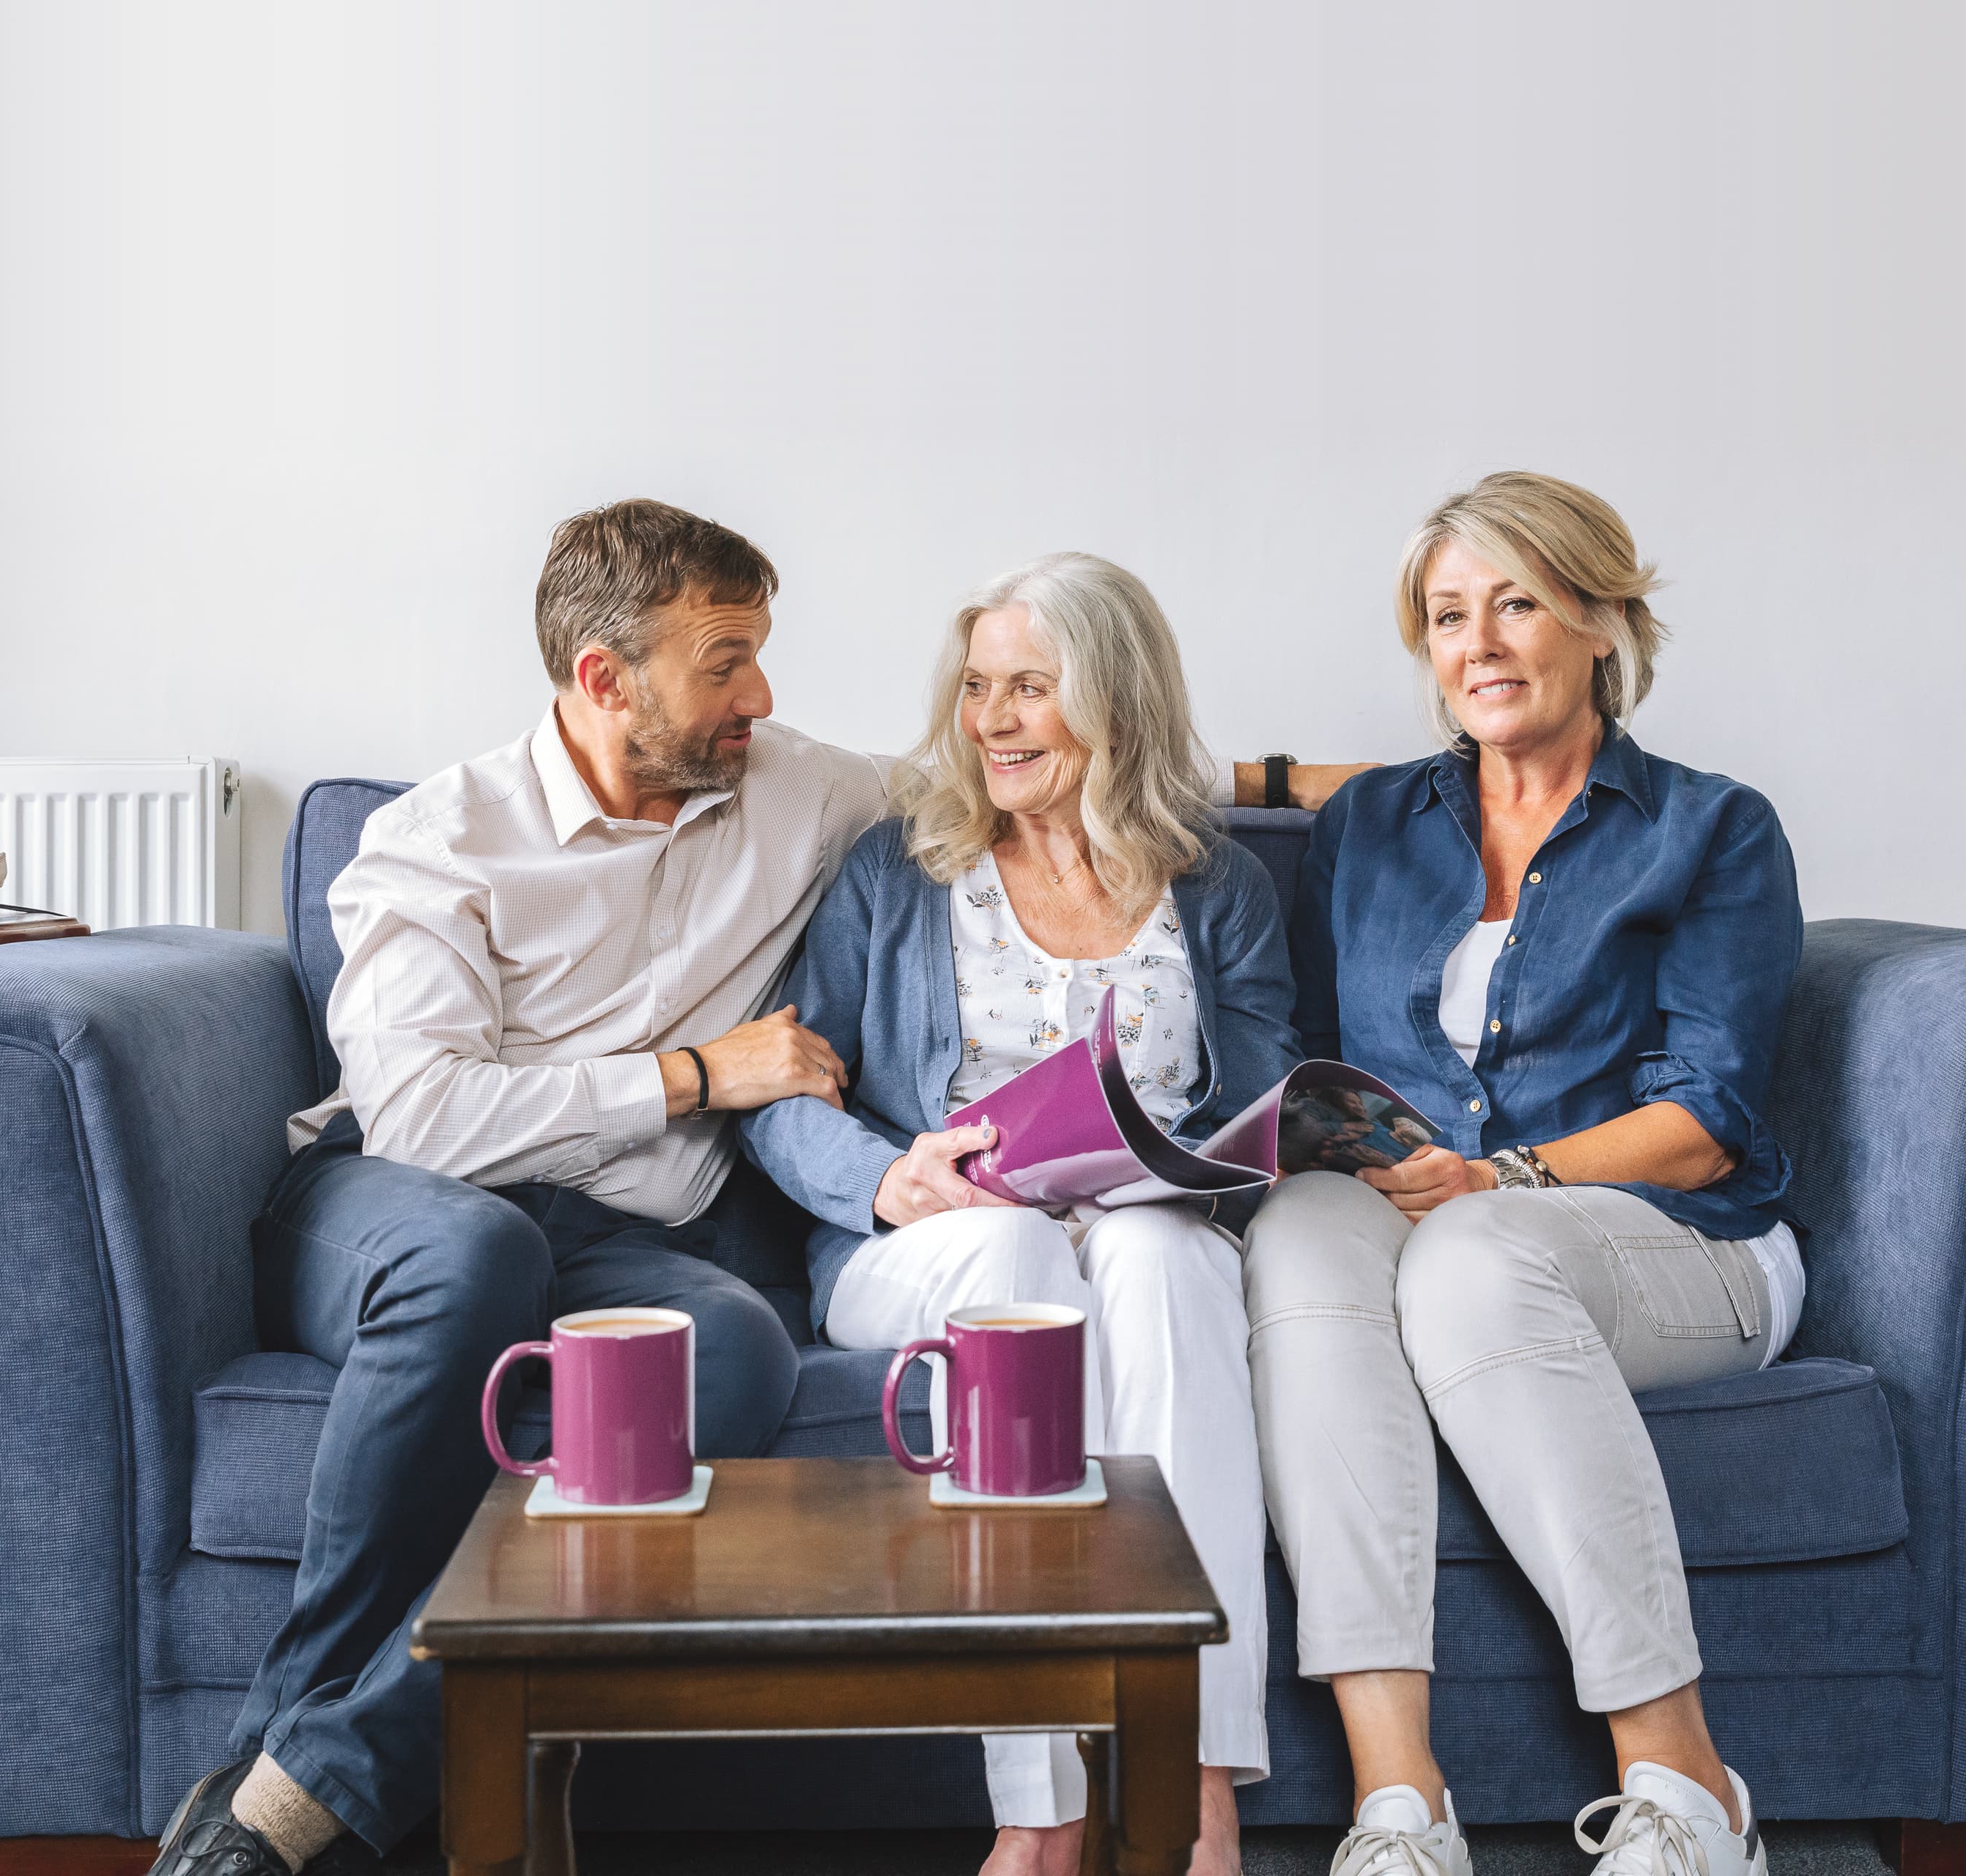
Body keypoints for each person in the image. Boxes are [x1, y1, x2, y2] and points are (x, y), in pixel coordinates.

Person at [147, 500, 887, 1876]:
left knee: (726, 1348)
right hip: (389, 1203)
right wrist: (689, 1076)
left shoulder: (797, 786)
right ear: (604, 678)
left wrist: (1287, 780)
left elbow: (1019, 769)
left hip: (625, 1238)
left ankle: (290, 1797)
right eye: (725, 661)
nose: (762, 696)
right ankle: (287, 1778)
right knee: (474, 1256)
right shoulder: (441, 844)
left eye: (761, 656)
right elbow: (426, 1120)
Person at [1244, 473, 1805, 1876]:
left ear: (1604, 621)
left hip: (1680, 1243)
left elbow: (1709, 1118)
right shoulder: (1372, 826)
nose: (1479, 643)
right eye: (1447, 616)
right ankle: (1400, 1806)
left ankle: (1683, 1784)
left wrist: (1504, 1177)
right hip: (1430, 1226)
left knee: (1475, 1259)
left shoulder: (1714, 828)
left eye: (1517, 604)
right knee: (1301, 1239)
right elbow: (1317, 1047)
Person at [743, 553, 1299, 1876]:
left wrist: (1213, 1167)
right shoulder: (897, 871)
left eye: (1029, 689)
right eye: (979, 687)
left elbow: (1267, 1102)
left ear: (1114, 703)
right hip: (936, 1243)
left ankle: (1192, 1780)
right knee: (1012, 1249)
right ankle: (1041, 1811)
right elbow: (777, 1095)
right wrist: (889, 1178)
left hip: (1144, 1236)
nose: (990, 718)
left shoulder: (1219, 886)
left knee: (1164, 1260)